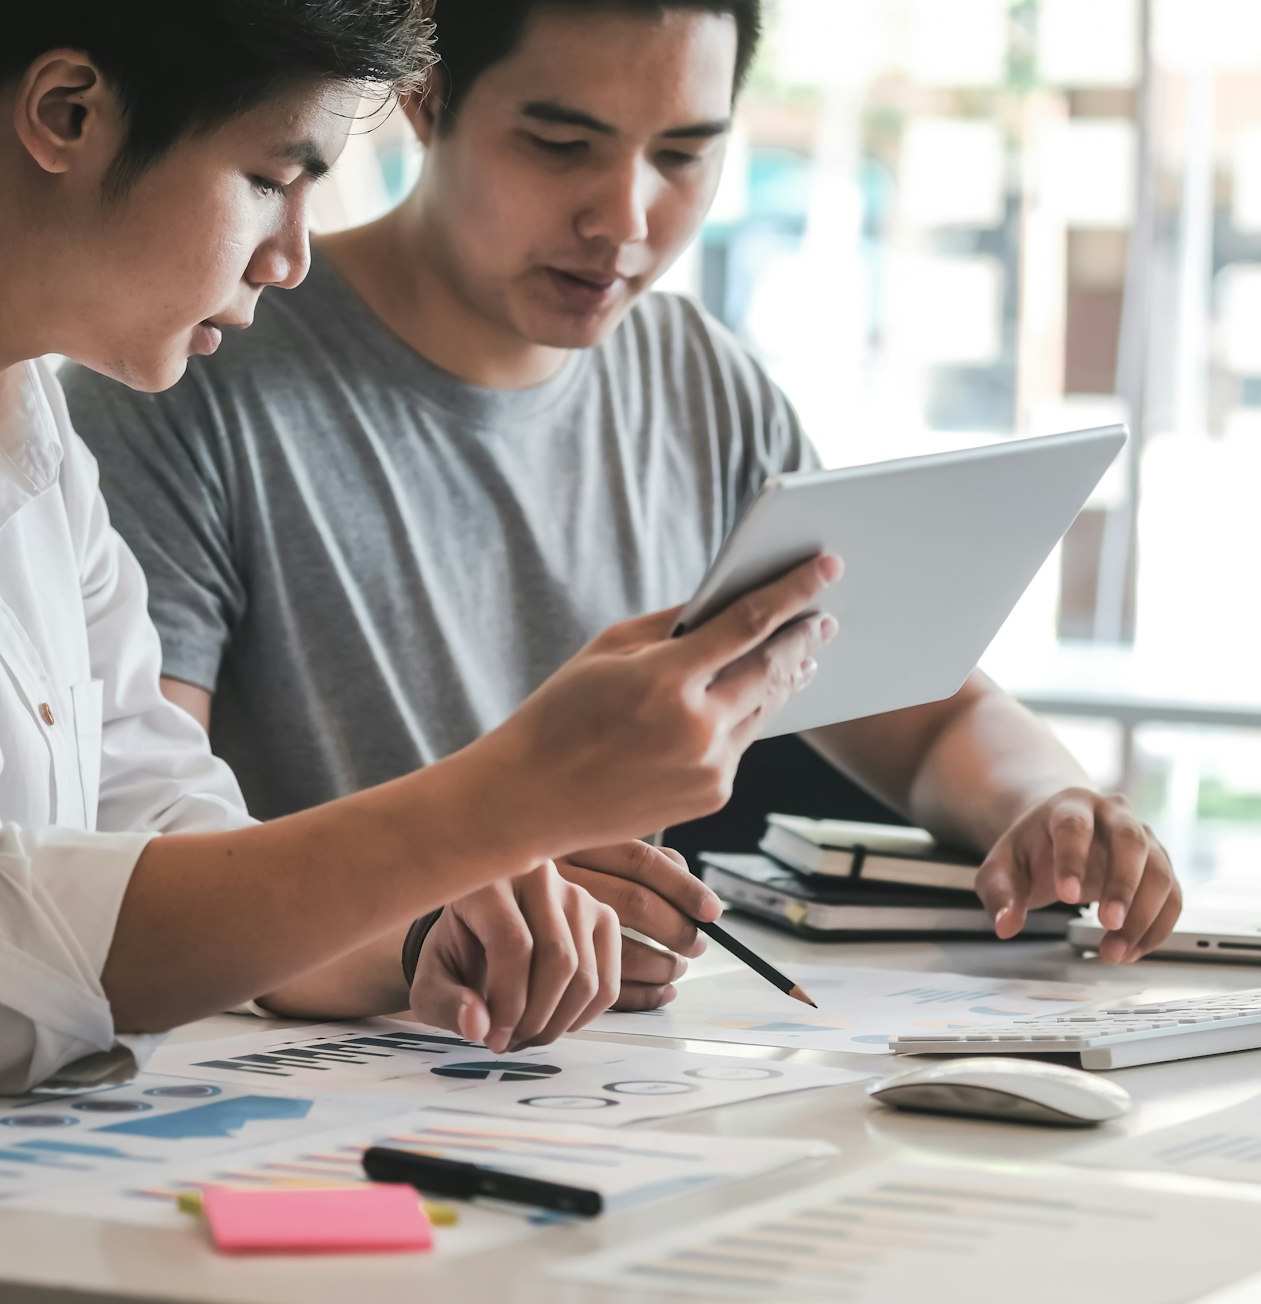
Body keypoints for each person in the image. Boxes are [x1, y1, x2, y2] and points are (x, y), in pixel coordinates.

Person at [0, 0, 838, 1099]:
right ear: (67, 114)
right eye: (270, 181)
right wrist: (505, 798)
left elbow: (164, 833)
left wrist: (429, 928)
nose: (292, 256)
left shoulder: (26, 417)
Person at [64, 0, 1187, 1019]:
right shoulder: (189, 371)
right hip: (308, 1074)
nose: (625, 218)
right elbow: (141, 852)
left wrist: (1050, 805)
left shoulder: (701, 383)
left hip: (601, 1076)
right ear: (424, 97)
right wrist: (426, 933)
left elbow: (925, 711)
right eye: (561, 146)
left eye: (686, 155)